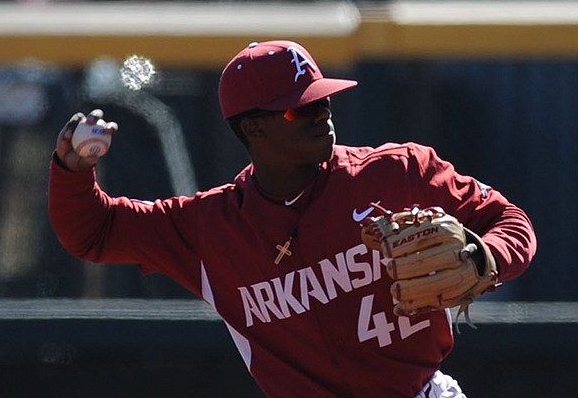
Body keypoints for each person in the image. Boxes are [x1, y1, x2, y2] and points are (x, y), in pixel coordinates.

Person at [49, 40, 537, 397]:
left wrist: (483, 254)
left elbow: (511, 221)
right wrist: (73, 172)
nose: (320, 113)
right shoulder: (210, 228)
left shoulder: (397, 171)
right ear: (253, 128)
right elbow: (95, 232)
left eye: (322, 100)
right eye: (297, 109)